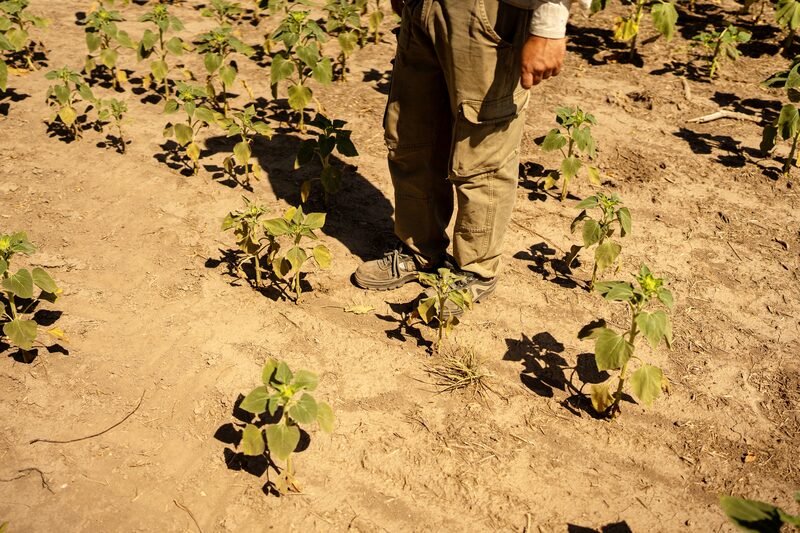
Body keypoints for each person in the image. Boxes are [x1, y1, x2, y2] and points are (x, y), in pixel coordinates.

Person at [354, 0, 581, 314]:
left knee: (483, 151)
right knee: (411, 133)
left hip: (492, 11)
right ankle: (419, 249)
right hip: (424, 7)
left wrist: (550, 25)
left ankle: (475, 270)